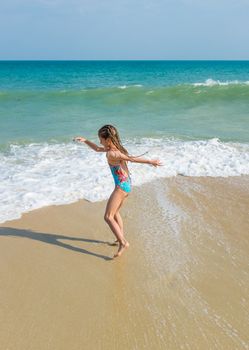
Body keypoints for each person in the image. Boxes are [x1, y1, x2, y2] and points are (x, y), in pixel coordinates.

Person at [73, 124, 163, 258]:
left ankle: (123, 242)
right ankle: (119, 237)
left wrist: (150, 161)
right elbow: (97, 149)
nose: (100, 142)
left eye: (101, 139)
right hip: (127, 185)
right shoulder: (113, 148)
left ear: (107, 139)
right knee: (115, 213)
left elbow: (132, 159)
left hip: (120, 187)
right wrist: (85, 141)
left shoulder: (112, 152)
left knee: (108, 216)